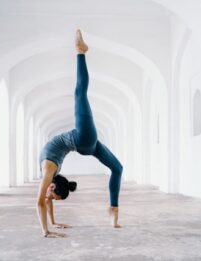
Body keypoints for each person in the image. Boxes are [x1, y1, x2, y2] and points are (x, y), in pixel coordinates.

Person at [36, 29, 124, 238]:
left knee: (118, 168)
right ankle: (80, 52)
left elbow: (40, 201)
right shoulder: (51, 177)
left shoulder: (48, 171)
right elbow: (46, 200)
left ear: (53, 186)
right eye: (55, 197)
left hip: (84, 140)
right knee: (80, 94)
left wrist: (48, 229)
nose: (51, 198)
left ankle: (80, 52)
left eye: (54, 197)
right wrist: (51, 225)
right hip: (84, 141)